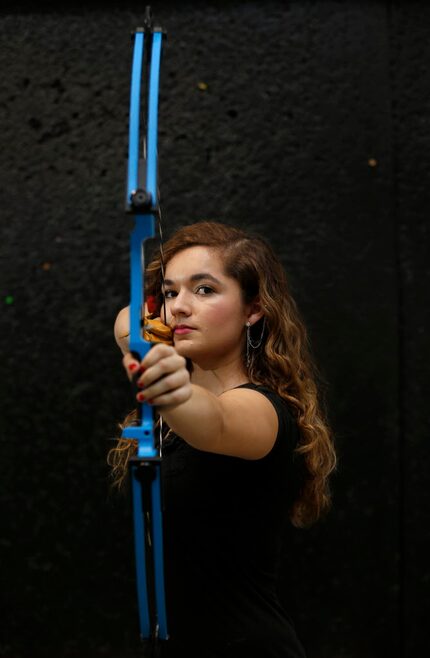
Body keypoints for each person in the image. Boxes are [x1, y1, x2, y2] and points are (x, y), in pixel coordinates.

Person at [109, 221, 336, 658]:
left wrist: (166, 382)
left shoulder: (262, 411)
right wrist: (146, 341)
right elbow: (124, 320)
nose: (179, 308)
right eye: (170, 293)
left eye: (205, 290)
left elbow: (211, 421)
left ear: (253, 309)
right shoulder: (174, 410)